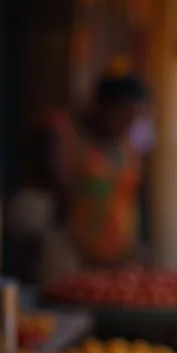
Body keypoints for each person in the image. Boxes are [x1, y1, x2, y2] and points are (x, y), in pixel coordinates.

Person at [47, 69, 148, 269]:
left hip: (121, 260)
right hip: (75, 261)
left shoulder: (126, 149)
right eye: (124, 114)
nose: (129, 124)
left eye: (134, 117)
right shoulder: (68, 139)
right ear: (101, 106)